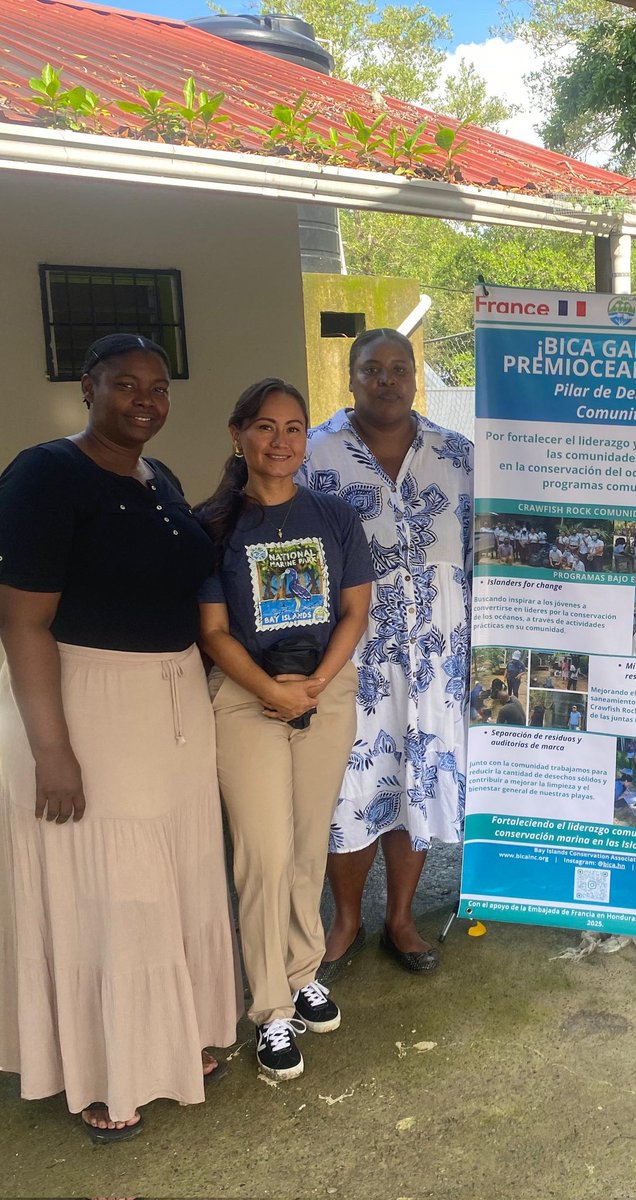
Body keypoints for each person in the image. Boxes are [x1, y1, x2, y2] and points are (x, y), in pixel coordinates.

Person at [0, 334, 239, 1141]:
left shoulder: (156, 476)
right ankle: (111, 1069)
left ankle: (173, 1032)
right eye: (125, 384)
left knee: (178, 870)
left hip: (170, 700)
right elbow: (23, 621)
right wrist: (52, 749)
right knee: (115, 887)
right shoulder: (44, 475)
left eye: (159, 387)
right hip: (88, 703)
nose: (145, 399)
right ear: (86, 388)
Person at [196, 379, 373, 1080]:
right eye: (265, 427)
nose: (281, 441)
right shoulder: (212, 525)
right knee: (263, 854)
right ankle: (270, 1008)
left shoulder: (334, 515)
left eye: (295, 427)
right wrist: (271, 690)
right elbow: (212, 631)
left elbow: (353, 613)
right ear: (238, 434)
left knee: (305, 843)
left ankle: (303, 973)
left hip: (325, 692)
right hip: (246, 701)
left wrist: (315, 687)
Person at [302, 328, 471, 978]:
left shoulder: (458, 456)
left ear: (414, 378)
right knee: (349, 790)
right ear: (351, 377)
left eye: (399, 369)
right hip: (349, 662)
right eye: (372, 369)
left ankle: (400, 918)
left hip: (436, 668)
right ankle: (345, 920)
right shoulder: (314, 454)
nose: (387, 380)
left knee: (415, 789)